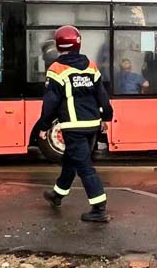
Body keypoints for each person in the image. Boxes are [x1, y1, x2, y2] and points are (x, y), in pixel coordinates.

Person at [36, 25, 113, 223]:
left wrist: (44, 127)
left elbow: (50, 102)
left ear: (59, 45)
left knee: (85, 167)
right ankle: (57, 194)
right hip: (92, 125)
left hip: (73, 126)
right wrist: (106, 118)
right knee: (72, 159)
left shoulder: (56, 69)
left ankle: (99, 208)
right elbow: (102, 95)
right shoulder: (91, 66)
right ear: (78, 43)